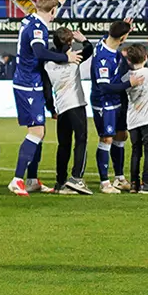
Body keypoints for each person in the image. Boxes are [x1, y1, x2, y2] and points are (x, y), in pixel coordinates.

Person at [10, 0, 84, 197]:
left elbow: (46, 12)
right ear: (51, 11)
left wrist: (57, 4)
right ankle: (17, 180)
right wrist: (66, 57)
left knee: (40, 132)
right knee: (36, 132)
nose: (54, 16)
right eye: (55, 12)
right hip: (28, 85)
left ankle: (32, 180)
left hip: (30, 83)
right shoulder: (37, 28)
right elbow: (40, 53)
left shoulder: (31, 19)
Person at [44, 28, 92, 195]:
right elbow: (90, 50)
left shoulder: (48, 63)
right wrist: (83, 39)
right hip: (76, 105)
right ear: (70, 42)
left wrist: (51, 109)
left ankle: (60, 181)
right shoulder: (75, 59)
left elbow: (47, 91)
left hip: (62, 108)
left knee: (63, 145)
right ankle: (77, 178)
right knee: (81, 140)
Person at [90, 21, 133, 193]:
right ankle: (104, 182)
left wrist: (123, 25)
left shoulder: (105, 41)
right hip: (104, 101)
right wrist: (130, 83)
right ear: (122, 38)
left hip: (118, 100)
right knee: (106, 138)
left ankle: (119, 177)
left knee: (121, 136)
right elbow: (104, 86)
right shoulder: (103, 58)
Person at [124, 43, 148, 192]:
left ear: (129, 61)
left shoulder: (126, 77)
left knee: (135, 151)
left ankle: (134, 183)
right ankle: (146, 183)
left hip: (133, 119)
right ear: (146, 58)